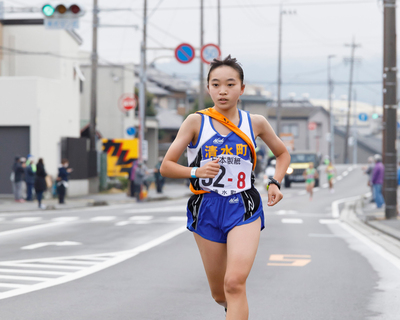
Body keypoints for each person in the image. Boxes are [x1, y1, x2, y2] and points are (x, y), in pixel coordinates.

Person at [160, 55, 290, 319]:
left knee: (234, 283)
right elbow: (166, 166)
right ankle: (234, 310)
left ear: (242, 89)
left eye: (230, 84)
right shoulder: (196, 122)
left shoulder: (256, 123)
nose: (223, 91)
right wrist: (196, 170)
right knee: (220, 293)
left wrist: (275, 181)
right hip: (206, 206)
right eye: (216, 84)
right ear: (208, 88)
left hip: (243, 206)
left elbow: (283, 154)